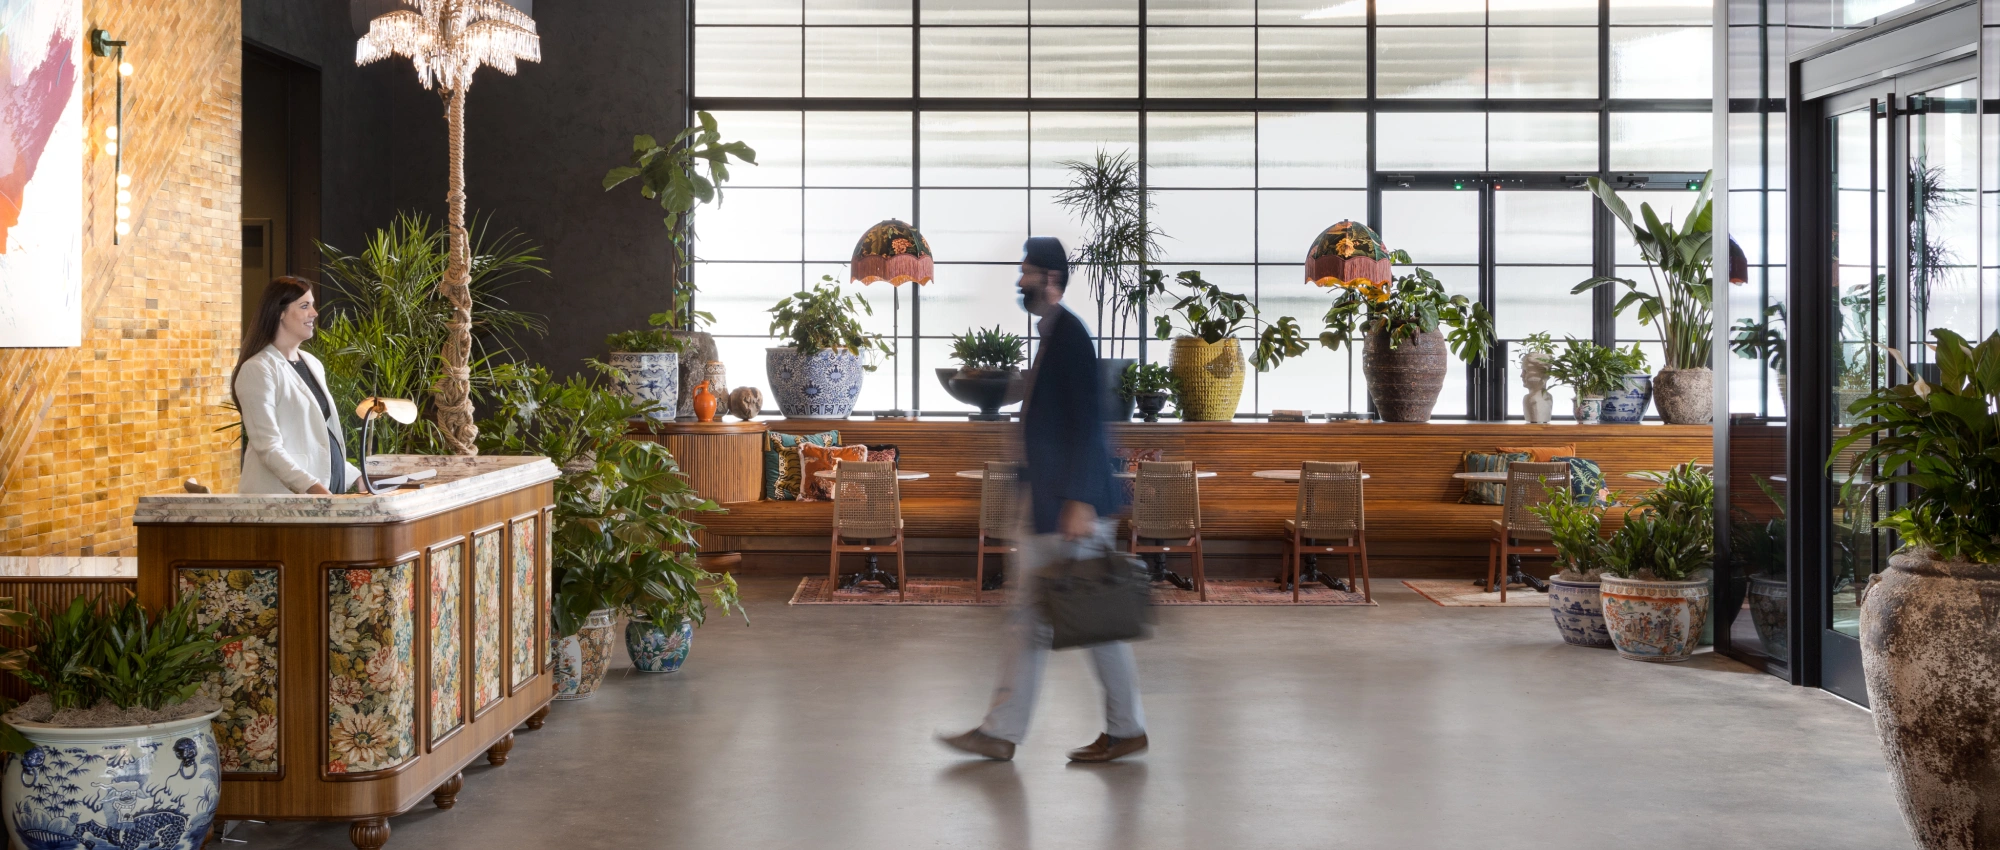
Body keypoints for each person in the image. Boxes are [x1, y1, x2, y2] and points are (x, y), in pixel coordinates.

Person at [941, 237, 1148, 764]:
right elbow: (1051, 410)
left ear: (1051, 279)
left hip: (1068, 505)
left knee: (1089, 618)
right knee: (1043, 618)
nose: (1019, 281)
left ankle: (1114, 729)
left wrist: (1079, 499)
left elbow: (1088, 421)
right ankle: (1009, 731)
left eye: (1027, 272)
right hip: (1050, 498)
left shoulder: (1070, 336)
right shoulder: (1054, 334)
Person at [232, 276, 359, 495]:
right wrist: (313, 488)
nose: (314, 313)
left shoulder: (312, 363)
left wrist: (356, 477)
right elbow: (268, 447)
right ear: (280, 313)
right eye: (304, 306)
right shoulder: (258, 369)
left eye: (313, 305)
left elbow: (317, 440)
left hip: (323, 498)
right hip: (281, 500)